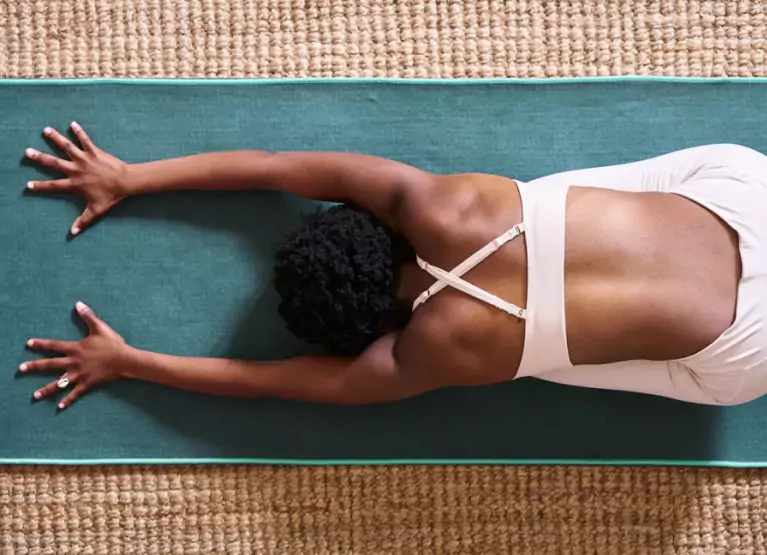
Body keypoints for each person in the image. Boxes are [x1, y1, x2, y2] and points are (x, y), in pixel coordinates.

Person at [18, 122, 767, 411]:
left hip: (744, 352)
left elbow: (270, 382)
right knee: (599, 198)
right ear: (364, 223)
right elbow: (278, 165)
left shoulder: (426, 352)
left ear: (372, 327)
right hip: (746, 196)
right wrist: (130, 175)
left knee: (560, 360)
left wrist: (128, 361)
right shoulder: (429, 202)